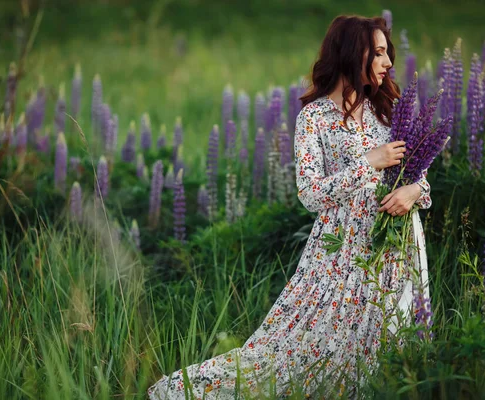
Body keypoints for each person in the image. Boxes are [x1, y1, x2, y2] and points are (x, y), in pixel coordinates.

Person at [147, 14, 432, 399]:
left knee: (388, 349)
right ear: (353, 53)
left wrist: (414, 192)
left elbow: (419, 173)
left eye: (387, 53)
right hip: (339, 255)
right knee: (299, 355)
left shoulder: (388, 110)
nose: (388, 63)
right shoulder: (313, 118)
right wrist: (368, 162)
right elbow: (310, 193)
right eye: (379, 53)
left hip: (392, 251)